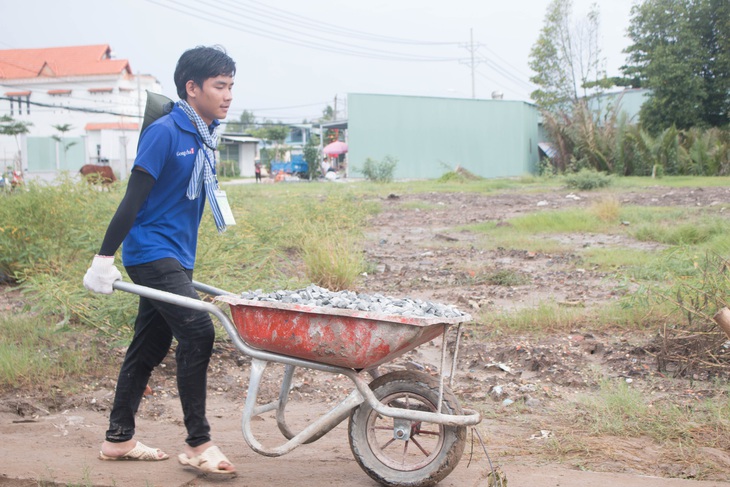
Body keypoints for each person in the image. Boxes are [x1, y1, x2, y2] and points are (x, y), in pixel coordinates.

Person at [82, 45, 237, 475]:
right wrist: (103, 259)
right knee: (199, 331)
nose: (227, 95)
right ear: (192, 88)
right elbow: (134, 198)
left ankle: (119, 438)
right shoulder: (166, 132)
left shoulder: (205, 136)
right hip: (151, 253)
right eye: (219, 86)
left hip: (177, 255)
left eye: (230, 86)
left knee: (149, 345)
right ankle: (199, 442)